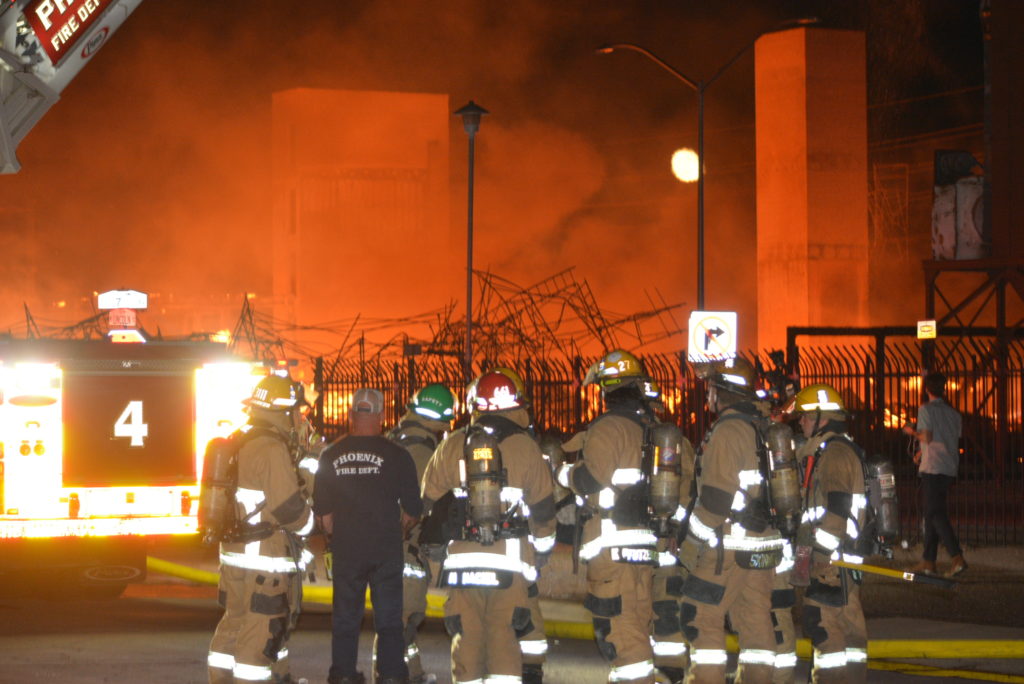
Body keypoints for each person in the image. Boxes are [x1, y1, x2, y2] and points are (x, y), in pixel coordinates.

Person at [420, 370, 556, 684]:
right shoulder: (525, 447)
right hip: (509, 564)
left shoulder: (453, 444)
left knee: (466, 639)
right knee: (503, 638)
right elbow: (544, 512)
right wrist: (542, 552)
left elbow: (426, 501)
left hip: (461, 564)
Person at [676, 357, 786, 684]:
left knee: (700, 616)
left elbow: (714, 501)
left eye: (711, 386)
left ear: (722, 390)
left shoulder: (727, 431)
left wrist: (691, 542)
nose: (708, 393)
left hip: (728, 548)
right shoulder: (764, 427)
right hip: (763, 546)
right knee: (755, 621)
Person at [556, 349, 660, 684]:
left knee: (618, 634)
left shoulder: (608, 427)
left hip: (612, 550)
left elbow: (590, 480)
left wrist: (562, 473)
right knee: (636, 627)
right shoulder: (650, 428)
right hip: (644, 547)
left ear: (606, 389)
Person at [207, 375, 316, 684]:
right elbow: (288, 509)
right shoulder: (271, 448)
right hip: (263, 562)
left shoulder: (240, 438)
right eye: (297, 411)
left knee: (234, 624)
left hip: (235, 555)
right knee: (259, 634)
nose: (300, 418)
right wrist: (312, 523)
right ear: (284, 411)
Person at [314, 388, 424, 684]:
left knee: (345, 618)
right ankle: (391, 674)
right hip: (385, 549)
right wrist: (399, 530)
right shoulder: (398, 456)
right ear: (381, 416)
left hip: (347, 549)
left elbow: (324, 518)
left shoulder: (330, 455)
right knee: (389, 618)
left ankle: (343, 674)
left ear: (351, 415)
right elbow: (413, 510)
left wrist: (339, 535)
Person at [786, 383, 868, 683]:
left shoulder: (835, 453)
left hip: (831, 562)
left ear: (821, 418)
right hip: (841, 560)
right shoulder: (834, 449)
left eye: (805, 416)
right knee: (849, 629)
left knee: (823, 626)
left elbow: (837, 511)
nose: (801, 422)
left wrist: (820, 554)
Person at [375, 382, 456, 684]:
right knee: (404, 617)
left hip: (387, 544)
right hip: (403, 547)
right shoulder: (422, 451)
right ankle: (391, 676)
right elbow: (420, 503)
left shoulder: (394, 439)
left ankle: (410, 672)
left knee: (399, 617)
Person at [903, 371, 967, 578]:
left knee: (935, 513)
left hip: (933, 467)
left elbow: (927, 436)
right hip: (949, 466)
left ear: (926, 389)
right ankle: (928, 561)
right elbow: (947, 439)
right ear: (944, 389)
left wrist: (911, 432)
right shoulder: (954, 414)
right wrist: (920, 453)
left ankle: (956, 557)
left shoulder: (925, 409)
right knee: (931, 512)